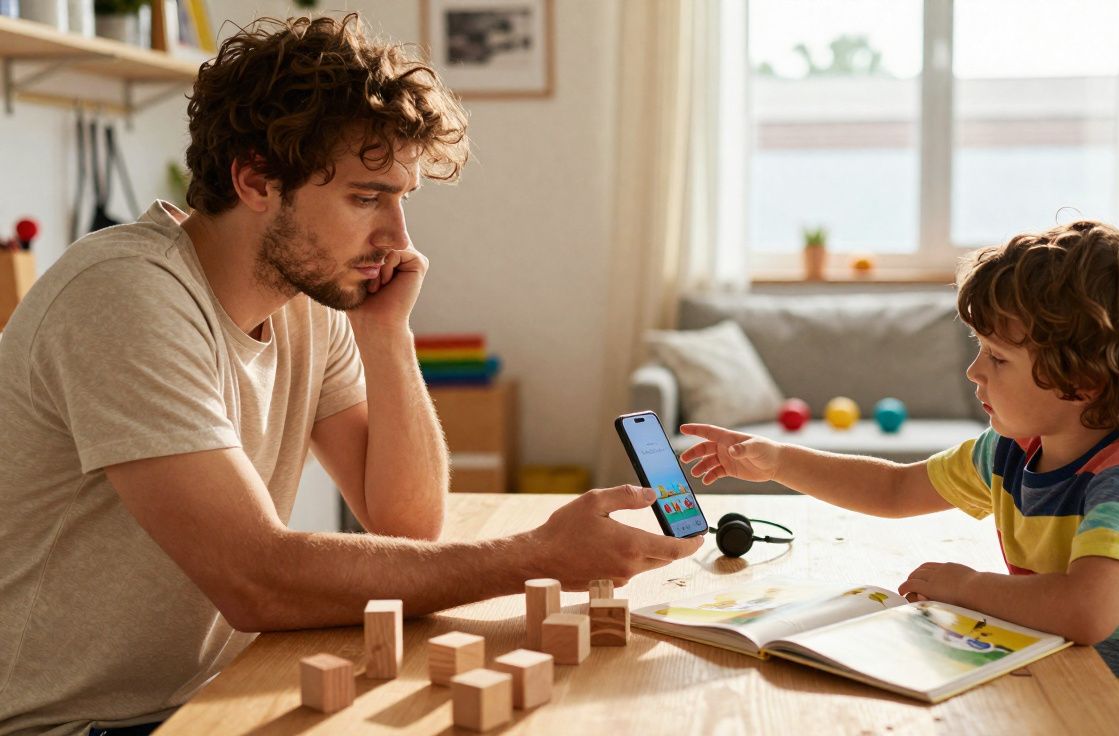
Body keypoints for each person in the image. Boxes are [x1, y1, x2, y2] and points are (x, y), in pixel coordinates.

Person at [0, 15, 700, 736]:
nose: (398, 239)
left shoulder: (308, 297)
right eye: (366, 199)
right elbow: (257, 579)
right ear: (255, 180)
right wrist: (535, 557)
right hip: (67, 726)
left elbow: (407, 526)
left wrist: (385, 334)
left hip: (208, 694)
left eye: (401, 199)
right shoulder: (125, 296)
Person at [681, 221, 1119, 736]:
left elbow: (1085, 612)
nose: (974, 371)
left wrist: (968, 587)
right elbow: (895, 489)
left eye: (998, 357)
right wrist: (778, 462)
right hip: (1055, 684)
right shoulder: (1011, 450)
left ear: (1083, 379)